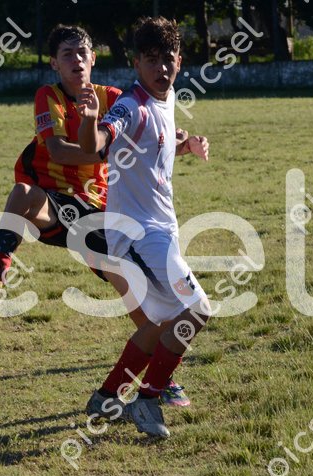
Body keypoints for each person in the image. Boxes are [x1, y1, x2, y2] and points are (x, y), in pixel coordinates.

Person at [0, 24, 194, 407]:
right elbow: (59, 151)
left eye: (82, 53)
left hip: (100, 215)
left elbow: (149, 134)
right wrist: (104, 149)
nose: (76, 60)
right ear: (54, 64)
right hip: (57, 204)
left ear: (93, 59)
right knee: (23, 193)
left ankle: (164, 377)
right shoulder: (50, 97)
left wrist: (183, 143)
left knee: (140, 304)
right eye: (67, 54)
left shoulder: (114, 98)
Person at [78, 16, 212, 438]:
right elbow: (99, 144)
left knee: (157, 325)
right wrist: (91, 121)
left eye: (167, 58)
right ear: (136, 63)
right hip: (137, 236)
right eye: (151, 60)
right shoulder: (130, 104)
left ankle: (106, 397)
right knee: (197, 309)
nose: (161, 67)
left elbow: (154, 145)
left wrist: (186, 145)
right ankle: (149, 400)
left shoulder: (165, 99)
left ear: (180, 61)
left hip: (159, 232)